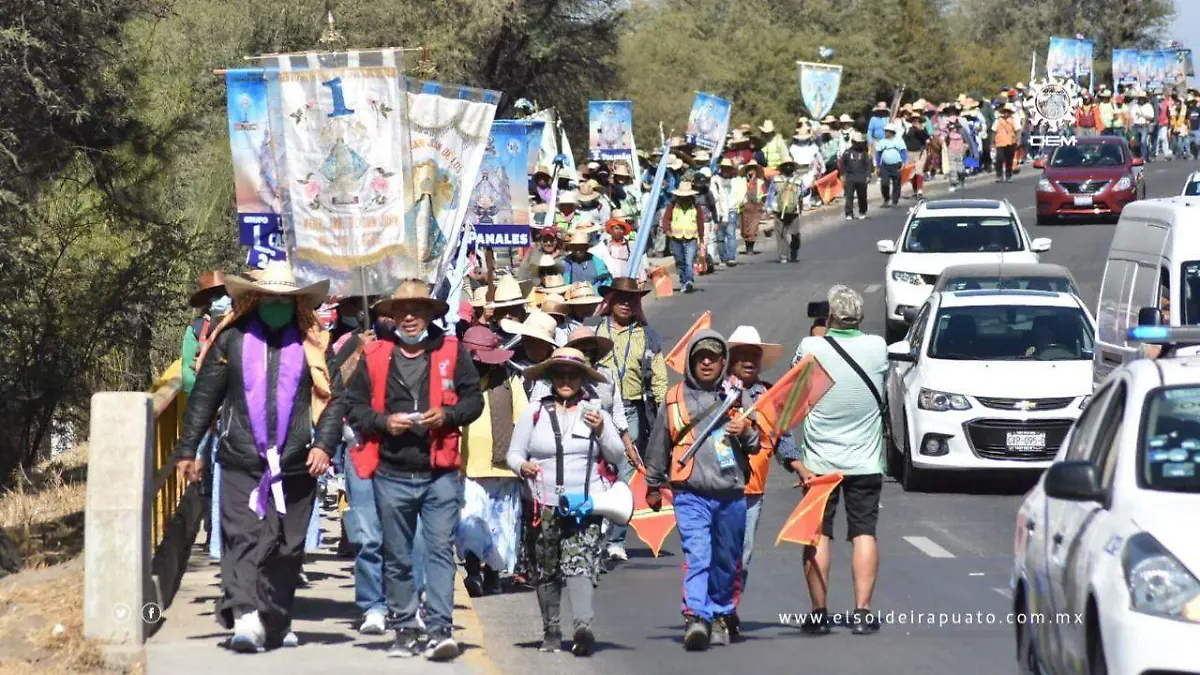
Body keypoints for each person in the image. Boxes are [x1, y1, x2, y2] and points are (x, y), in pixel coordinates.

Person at [173, 262, 339, 652]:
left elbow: (334, 399)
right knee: (243, 537)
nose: (276, 305)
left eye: (284, 300)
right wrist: (188, 449)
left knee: (287, 546)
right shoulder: (230, 340)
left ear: (297, 303)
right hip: (240, 457)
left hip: (297, 462)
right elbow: (205, 397)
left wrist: (324, 445)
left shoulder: (315, 345)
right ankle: (246, 616)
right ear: (255, 300)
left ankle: (275, 620)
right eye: (269, 299)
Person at [343, 279, 485, 660]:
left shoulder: (452, 351)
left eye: (417, 311)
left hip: (440, 473)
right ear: (392, 316)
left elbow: (474, 401)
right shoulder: (375, 355)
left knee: (439, 551)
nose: (409, 318)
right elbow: (354, 407)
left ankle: (440, 629)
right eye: (402, 311)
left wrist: (448, 415)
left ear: (429, 314)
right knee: (398, 555)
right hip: (391, 472)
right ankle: (405, 627)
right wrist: (382, 423)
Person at [644, 329, 759, 650]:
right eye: (700, 357)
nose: (706, 363)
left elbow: (755, 444)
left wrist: (745, 430)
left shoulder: (738, 396)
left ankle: (720, 614)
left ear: (723, 362)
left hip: (731, 493)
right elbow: (659, 444)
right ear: (691, 362)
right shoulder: (674, 398)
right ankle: (696, 616)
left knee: (726, 559)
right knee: (698, 555)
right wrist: (653, 485)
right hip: (690, 493)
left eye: (713, 357)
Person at [507, 347, 625, 656]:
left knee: (580, 564)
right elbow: (514, 454)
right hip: (541, 504)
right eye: (560, 375)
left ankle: (583, 626)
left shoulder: (596, 413)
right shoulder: (534, 413)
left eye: (573, 375)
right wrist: (522, 466)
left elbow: (617, 455)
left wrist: (602, 430)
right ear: (551, 377)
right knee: (545, 569)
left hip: (583, 505)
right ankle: (551, 630)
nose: (566, 381)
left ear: (583, 379)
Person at [785, 285, 887, 636]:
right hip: (865, 461)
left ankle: (819, 612)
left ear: (829, 317)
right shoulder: (877, 347)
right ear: (860, 317)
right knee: (864, 532)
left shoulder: (811, 347)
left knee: (818, 535)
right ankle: (862, 612)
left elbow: (793, 386)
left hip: (819, 463)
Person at [725, 326, 796, 631]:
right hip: (718, 487)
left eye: (754, 356)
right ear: (731, 359)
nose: (749, 361)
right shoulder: (715, 391)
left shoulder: (769, 395)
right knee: (718, 552)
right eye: (742, 355)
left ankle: (728, 608)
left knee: (743, 555)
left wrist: (799, 467)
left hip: (753, 490)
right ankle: (712, 607)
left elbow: (783, 437)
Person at [457, 326, 523, 598]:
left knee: (500, 526)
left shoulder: (509, 380)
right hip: (467, 467)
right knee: (470, 522)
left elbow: (522, 419)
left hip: (502, 468)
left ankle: (493, 575)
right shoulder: (456, 383)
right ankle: (473, 572)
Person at [661, 181, 704, 293]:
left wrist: (701, 237)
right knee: (680, 261)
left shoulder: (696, 205)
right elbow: (666, 218)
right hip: (676, 237)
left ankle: (689, 281)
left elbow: (700, 221)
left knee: (689, 260)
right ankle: (683, 280)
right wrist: (667, 230)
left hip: (691, 237)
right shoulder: (672, 205)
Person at [712, 158, 746, 268]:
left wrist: (739, 203)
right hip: (718, 211)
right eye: (724, 168)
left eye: (728, 168)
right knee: (720, 237)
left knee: (731, 234)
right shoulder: (715, 180)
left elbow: (741, 193)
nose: (726, 170)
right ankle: (723, 258)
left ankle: (731, 257)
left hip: (732, 209)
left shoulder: (735, 180)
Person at [769, 160, 803, 264]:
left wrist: (768, 207)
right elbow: (805, 192)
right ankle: (787, 254)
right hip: (784, 211)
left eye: (789, 166)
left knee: (789, 234)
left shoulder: (777, 180)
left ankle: (788, 253)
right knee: (786, 234)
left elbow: (770, 194)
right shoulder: (797, 180)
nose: (788, 167)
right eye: (787, 166)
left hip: (788, 211)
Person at [561, 229, 612, 294]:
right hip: (570, 295)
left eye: (581, 247)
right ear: (570, 247)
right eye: (575, 247)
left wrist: (594, 290)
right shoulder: (566, 261)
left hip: (593, 295)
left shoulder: (595, 261)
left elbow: (606, 280)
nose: (578, 251)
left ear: (586, 247)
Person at [839, 133, 871, 220]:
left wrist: (868, 175)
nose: (858, 144)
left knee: (862, 196)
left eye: (859, 142)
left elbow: (868, 165)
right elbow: (842, 165)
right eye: (856, 142)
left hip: (861, 177)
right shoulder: (847, 152)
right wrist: (842, 175)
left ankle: (862, 211)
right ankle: (849, 213)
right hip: (850, 177)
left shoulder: (864, 153)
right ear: (852, 142)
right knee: (849, 196)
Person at [874, 123, 907, 208]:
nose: (886, 133)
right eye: (885, 131)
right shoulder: (882, 141)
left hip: (896, 165)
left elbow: (903, 152)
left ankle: (895, 201)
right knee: (884, 183)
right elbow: (878, 154)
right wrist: (878, 166)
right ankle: (886, 199)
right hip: (885, 166)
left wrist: (904, 162)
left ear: (892, 132)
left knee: (896, 184)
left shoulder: (898, 140)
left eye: (888, 131)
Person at [740, 161, 768, 254]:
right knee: (745, 229)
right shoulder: (742, 181)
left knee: (753, 228)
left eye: (752, 170)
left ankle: (750, 248)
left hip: (756, 207)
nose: (750, 172)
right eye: (749, 170)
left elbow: (764, 195)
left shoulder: (760, 182)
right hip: (744, 207)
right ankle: (747, 245)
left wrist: (762, 205)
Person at [902, 114, 929, 199]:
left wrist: (918, 129)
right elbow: (904, 139)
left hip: (920, 152)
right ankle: (915, 191)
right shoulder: (908, 130)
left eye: (917, 121)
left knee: (919, 171)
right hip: (910, 153)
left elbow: (926, 137)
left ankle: (920, 191)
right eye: (914, 121)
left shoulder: (922, 130)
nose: (915, 122)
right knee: (911, 173)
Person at [992, 105, 1019, 181]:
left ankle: (1008, 176)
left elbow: (1018, 130)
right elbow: (993, 131)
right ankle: (999, 175)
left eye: (1007, 112)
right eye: (1004, 112)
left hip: (1010, 142)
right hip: (1000, 142)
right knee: (999, 159)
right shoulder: (998, 121)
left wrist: (1017, 139)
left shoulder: (1013, 120)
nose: (1006, 113)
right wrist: (992, 143)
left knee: (1009, 160)